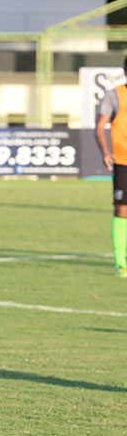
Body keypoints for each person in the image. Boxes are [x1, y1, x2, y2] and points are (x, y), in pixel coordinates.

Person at [94, 57, 127, 278]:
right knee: (122, 210)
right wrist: (105, 152)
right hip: (123, 160)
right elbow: (100, 126)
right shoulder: (114, 95)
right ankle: (121, 264)